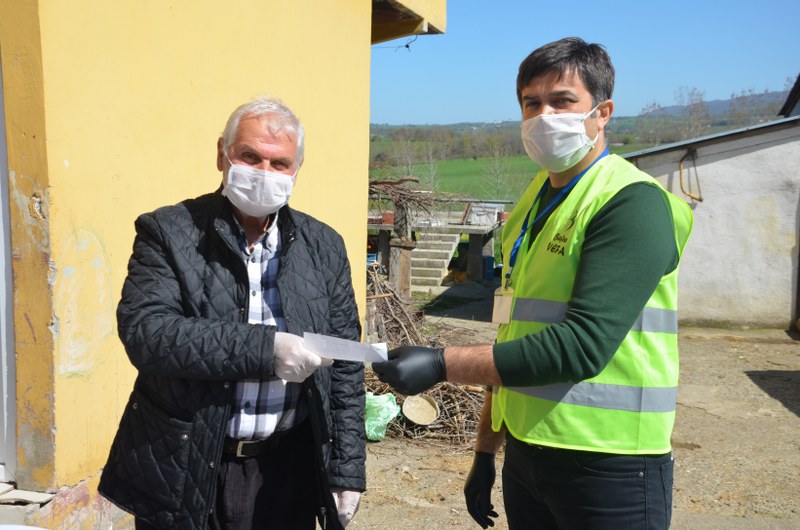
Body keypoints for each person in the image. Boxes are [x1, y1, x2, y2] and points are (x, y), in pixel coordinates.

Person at [373, 37, 693, 530]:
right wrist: (486, 449)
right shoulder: (533, 202)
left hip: (609, 464)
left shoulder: (631, 203)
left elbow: (582, 346)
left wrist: (442, 363)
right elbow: (513, 332)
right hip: (527, 452)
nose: (545, 115)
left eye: (563, 101)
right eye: (532, 103)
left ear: (602, 112)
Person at [99, 96, 365, 530]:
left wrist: (346, 471)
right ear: (222, 154)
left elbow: (347, 367)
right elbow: (146, 333)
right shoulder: (168, 231)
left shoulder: (325, 246)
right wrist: (266, 349)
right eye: (249, 156)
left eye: (279, 163)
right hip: (186, 462)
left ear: (297, 169)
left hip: (287, 469)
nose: (264, 173)